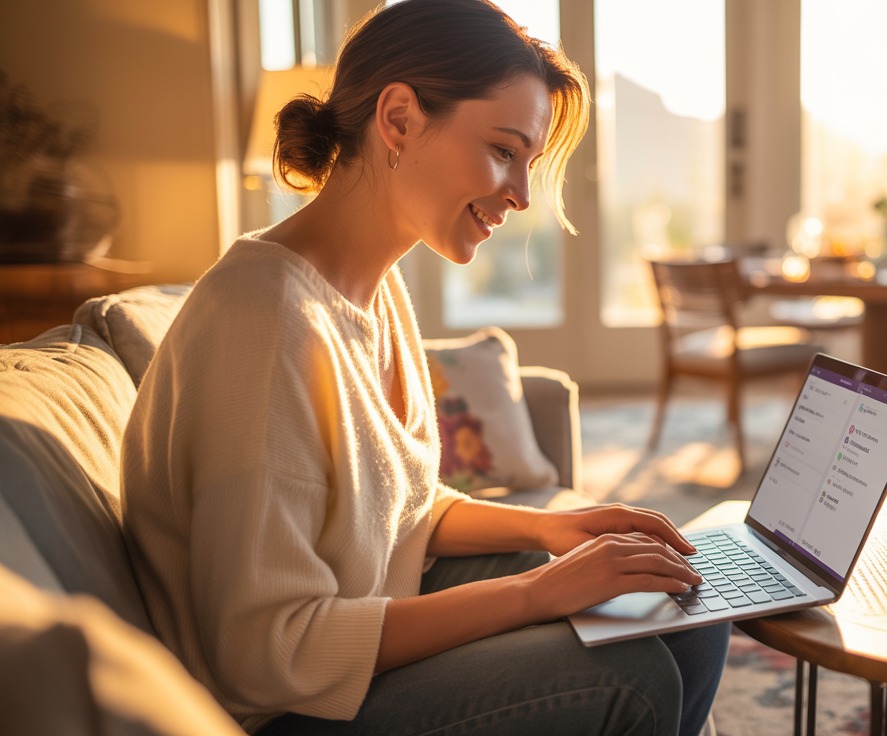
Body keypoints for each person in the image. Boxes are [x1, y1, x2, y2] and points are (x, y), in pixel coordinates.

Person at [119, 1, 731, 734]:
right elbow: (265, 651)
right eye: (504, 151)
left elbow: (399, 511)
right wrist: (539, 591)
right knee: (627, 677)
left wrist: (560, 530)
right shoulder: (264, 318)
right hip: (283, 708)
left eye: (528, 163)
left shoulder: (374, 291)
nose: (522, 195)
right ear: (400, 119)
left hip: (358, 635)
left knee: (682, 608)